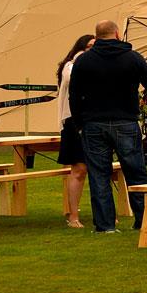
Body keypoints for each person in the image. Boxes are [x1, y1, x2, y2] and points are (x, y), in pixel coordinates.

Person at [69, 20, 147, 234]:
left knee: (99, 174)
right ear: (118, 34)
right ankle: (142, 219)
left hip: (93, 123)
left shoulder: (84, 61)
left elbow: (74, 95)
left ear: (96, 36)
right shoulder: (132, 57)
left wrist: (80, 123)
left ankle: (105, 225)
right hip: (125, 121)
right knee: (135, 172)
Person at [55, 34, 96, 227]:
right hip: (73, 122)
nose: (91, 50)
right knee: (79, 169)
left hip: (94, 120)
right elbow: (73, 79)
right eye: (88, 47)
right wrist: (82, 58)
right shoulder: (70, 65)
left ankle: (103, 213)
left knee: (98, 168)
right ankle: (73, 216)